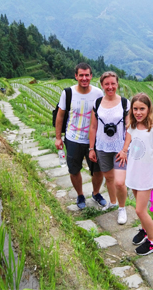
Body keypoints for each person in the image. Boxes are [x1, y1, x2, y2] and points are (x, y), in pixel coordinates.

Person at [117, 92, 153, 256]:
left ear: (149, 109)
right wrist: (124, 151)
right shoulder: (132, 125)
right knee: (141, 207)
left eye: (142, 109)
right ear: (131, 110)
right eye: (135, 109)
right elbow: (128, 141)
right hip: (133, 173)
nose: (138, 112)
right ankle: (145, 230)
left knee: (139, 210)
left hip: (146, 176)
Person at [55, 63, 107, 209]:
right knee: (74, 170)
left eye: (87, 75)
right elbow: (60, 115)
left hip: (93, 140)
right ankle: (80, 195)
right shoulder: (68, 93)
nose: (84, 78)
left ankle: (96, 193)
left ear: (91, 76)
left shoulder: (98, 93)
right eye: (81, 75)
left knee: (98, 170)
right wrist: (58, 137)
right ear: (76, 76)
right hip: (73, 139)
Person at [89, 71, 130, 224]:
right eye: (107, 84)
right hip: (102, 147)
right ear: (102, 85)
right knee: (109, 178)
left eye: (113, 83)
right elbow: (93, 127)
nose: (110, 86)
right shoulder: (97, 103)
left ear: (117, 84)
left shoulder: (125, 103)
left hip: (120, 148)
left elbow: (129, 128)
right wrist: (91, 148)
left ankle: (122, 208)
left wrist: (125, 149)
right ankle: (113, 202)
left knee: (119, 182)